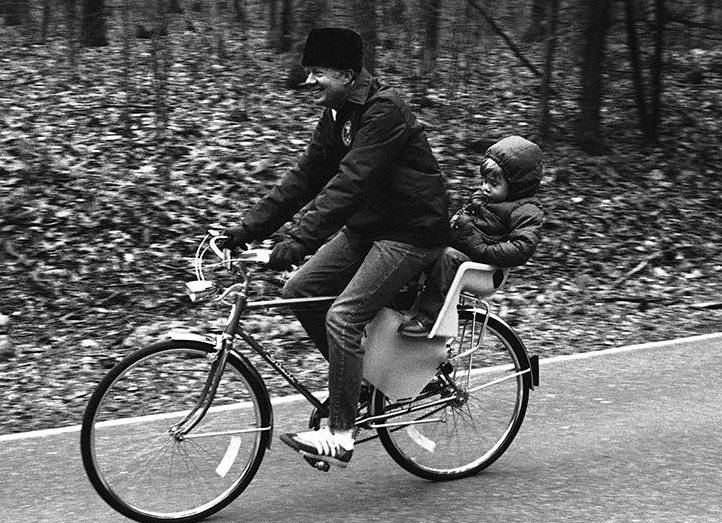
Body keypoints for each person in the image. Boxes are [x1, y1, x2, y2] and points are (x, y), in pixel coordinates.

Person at [221, 27, 451, 468]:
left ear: (347, 74)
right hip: (369, 228)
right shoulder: (336, 112)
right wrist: (247, 231)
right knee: (299, 291)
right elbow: (306, 177)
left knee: (343, 317)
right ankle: (361, 383)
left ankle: (342, 432)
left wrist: (291, 246)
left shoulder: (385, 111)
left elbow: (348, 185)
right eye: (309, 73)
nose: (310, 83)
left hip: (410, 233)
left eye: (318, 73)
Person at [398, 135, 545, 337]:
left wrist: (482, 249)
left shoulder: (527, 210)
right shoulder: (484, 197)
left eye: (494, 183)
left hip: (484, 265)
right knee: (421, 239)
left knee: (450, 257)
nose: (485, 187)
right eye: (484, 180)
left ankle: (428, 318)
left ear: (517, 185)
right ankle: (405, 293)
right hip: (464, 247)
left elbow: (521, 248)